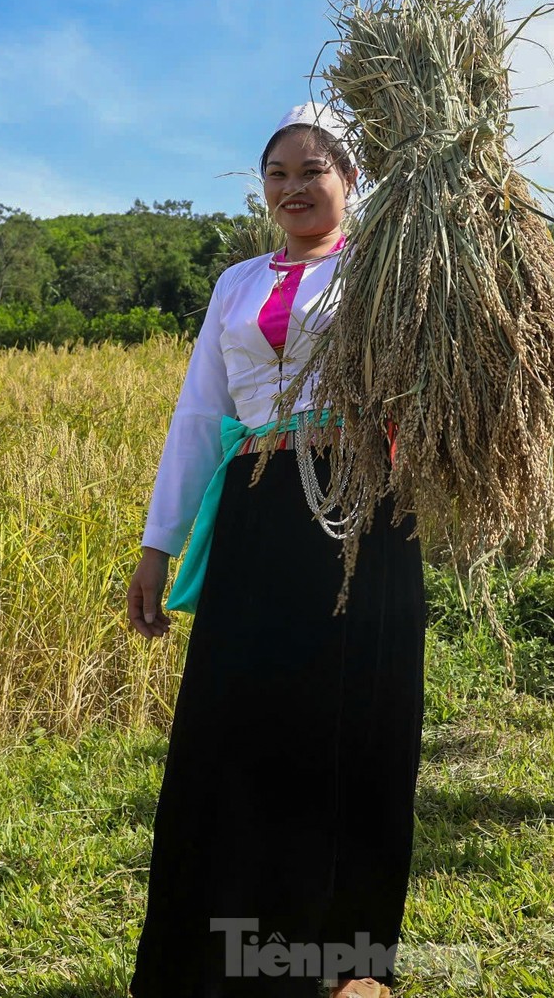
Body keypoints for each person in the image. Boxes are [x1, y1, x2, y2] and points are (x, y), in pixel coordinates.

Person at [126, 105, 421, 998]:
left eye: (314, 169)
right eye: (278, 173)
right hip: (256, 508)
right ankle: (220, 956)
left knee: (358, 720)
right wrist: (157, 544)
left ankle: (347, 962)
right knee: (239, 723)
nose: (294, 187)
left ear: (353, 180)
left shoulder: (390, 269)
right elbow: (198, 414)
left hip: (360, 510)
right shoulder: (236, 283)